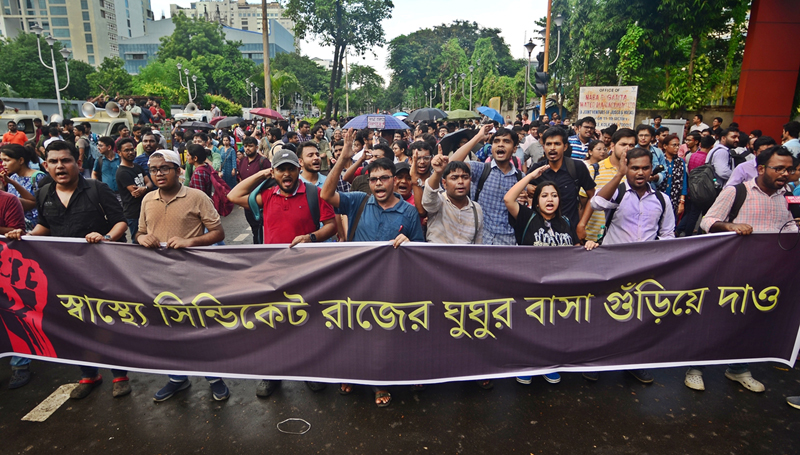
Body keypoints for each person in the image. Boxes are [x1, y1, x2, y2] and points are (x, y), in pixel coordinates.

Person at [6, 140, 129, 399]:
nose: (60, 166)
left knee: (106, 322)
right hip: (63, 275)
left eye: (65, 160)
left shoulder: (97, 189)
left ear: (77, 163)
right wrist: (23, 236)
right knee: (74, 324)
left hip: (101, 272)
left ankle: (119, 375)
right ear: (46, 166)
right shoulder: (43, 193)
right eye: (53, 162)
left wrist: (105, 237)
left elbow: (120, 223)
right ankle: (88, 375)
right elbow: (44, 227)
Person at [321, 129, 423, 407]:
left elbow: (422, 254)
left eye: (384, 178)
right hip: (357, 282)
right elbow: (327, 193)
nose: (378, 184)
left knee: (383, 334)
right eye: (374, 179)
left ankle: (379, 382)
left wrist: (409, 243)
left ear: (394, 181)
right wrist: (343, 157)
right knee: (352, 329)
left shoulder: (410, 213)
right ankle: (352, 373)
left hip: (392, 287)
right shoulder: (358, 200)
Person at [228, 149, 336, 397]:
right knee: (272, 324)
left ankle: (311, 370)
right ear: (274, 172)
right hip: (273, 273)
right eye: (280, 169)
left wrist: (312, 237)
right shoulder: (265, 195)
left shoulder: (314, 194)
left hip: (307, 272)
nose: (286, 174)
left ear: (299, 169)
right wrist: (262, 174)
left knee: (308, 321)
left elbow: (331, 226)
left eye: (290, 169)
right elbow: (233, 195)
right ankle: (272, 374)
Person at [694, 146, 797, 394]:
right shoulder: (736, 191)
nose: (784, 174)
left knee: (751, 321)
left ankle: (738, 368)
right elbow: (707, 221)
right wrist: (731, 225)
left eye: (789, 169)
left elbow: (786, 232)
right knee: (717, 320)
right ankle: (696, 368)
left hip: (769, 274)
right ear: (761, 169)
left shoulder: (787, 196)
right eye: (778, 168)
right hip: (733, 272)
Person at [136, 149, 229, 401]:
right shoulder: (147, 199)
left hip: (194, 275)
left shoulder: (197, 197)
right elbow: (140, 232)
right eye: (153, 169)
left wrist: (191, 242)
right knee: (169, 329)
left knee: (201, 326)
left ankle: (214, 378)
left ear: (178, 170)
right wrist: (143, 238)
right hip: (159, 277)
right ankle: (177, 378)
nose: (158, 173)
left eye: (164, 168)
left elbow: (218, 233)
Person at [587, 146, 675, 385]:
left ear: (651, 170)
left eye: (645, 168)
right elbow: (596, 204)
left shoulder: (662, 200)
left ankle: (634, 364)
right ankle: (597, 362)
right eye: (634, 168)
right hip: (612, 269)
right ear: (627, 169)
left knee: (640, 320)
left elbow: (667, 235)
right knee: (607, 317)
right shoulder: (618, 192)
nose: (640, 173)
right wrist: (618, 175)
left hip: (646, 272)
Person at [447, 125, 526, 245]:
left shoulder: (521, 178)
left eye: (506, 141)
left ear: (515, 148)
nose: (500, 145)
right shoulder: (481, 169)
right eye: (496, 141)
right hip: (480, 240)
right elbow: (452, 164)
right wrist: (477, 137)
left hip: (508, 242)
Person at [528, 127, 597, 236]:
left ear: (565, 147)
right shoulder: (537, 169)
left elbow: (592, 196)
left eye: (557, 144)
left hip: (569, 232)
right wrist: (527, 187)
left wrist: (582, 225)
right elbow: (519, 189)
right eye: (548, 144)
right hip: (541, 233)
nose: (552, 148)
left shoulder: (577, 167)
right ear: (543, 147)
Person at [0, 149, 31, 388]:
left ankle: (20, 365)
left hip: (8, 268)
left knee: (14, 312)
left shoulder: (8, 201)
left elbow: (16, 231)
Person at [577, 128, 637, 243]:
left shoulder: (635, 173)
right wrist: (581, 226)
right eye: (623, 144)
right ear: (613, 146)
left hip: (622, 238)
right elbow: (583, 203)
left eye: (632, 145)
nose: (627, 148)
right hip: (593, 237)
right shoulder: (595, 170)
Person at [0, 144, 46, 231]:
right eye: (2, 160)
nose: (3, 164)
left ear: (21, 160)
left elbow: (35, 203)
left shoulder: (37, 177)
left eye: (7, 160)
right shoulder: (13, 177)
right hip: (15, 223)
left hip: (35, 227)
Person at [115, 137, 152, 242]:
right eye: (126, 150)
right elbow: (136, 193)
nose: (130, 152)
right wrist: (146, 188)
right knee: (137, 240)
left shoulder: (137, 166)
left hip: (145, 209)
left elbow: (149, 183)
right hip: (133, 213)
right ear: (119, 153)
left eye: (132, 149)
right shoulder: (122, 172)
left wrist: (145, 188)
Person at [237, 136, 271, 243]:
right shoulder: (242, 161)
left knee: (262, 228)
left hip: (260, 201)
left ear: (256, 147)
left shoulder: (263, 161)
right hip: (247, 201)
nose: (247, 148)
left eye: (250, 146)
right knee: (254, 229)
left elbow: (271, 179)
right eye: (246, 146)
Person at [657, 134, 687, 222]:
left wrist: (681, 202)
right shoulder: (659, 160)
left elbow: (683, 182)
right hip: (659, 198)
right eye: (674, 145)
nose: (677, 148)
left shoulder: (680, 162)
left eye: (678, 145)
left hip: (674, 200)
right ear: (665, 146)